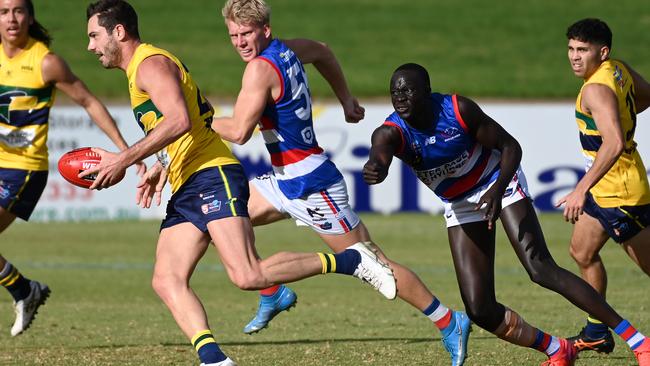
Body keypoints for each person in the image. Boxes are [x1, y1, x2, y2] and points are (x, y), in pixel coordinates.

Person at [84, 1, 396, 365]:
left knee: (247, 274)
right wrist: (162, 165)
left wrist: (124, 158)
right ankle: (214, 359)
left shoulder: (149, 66)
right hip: (188, 180)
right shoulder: (140, 69)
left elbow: (181, 120)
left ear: (118, 32)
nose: (90, 46)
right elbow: (178, 127)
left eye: (93, 35)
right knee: (166, 279)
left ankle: (350, 260)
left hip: (210, 175)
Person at [209, 1, 471, 365]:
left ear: (264, 29)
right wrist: (346, 99)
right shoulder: (288, 48)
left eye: (246, 33)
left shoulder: (258, 70)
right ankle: (270, 290)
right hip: (284, 179)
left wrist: (199, 115)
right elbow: (324, 52)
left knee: (373, 262)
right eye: (233, 35)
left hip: (312, 184)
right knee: (217, 220)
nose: (239, 41)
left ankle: (449, 321)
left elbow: (238, 131)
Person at [362, 62, 650, 365]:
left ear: (427, 91)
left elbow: (511, 146)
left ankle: (638, 341)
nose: (400, 97)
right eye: (395, 92)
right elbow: (380, 152)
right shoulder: (391, 132)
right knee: (479, 308)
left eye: (408, 90)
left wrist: (497, 191)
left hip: (500, 180)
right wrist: (376, 167)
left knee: (540, 268)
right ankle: (557, 349)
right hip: (460, 203)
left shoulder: (457, 109)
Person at [0, 0, 142, 337]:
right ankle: (24, 291)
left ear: (30, 17)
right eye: (4, 11)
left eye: (19, 11)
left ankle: (24, 290)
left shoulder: (45, 62)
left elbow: (89, 101)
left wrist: (126, 153)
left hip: (23, 170)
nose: (12, 18)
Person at [556, 18, 650, 355]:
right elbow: (647, 95)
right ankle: (597, 330)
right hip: (607, 189)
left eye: (583, 50)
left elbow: (610, 144)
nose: (574, 57)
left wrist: (580, 189)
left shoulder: (595, 89)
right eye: (571, 49)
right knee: (582, 252)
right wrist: (621, 119)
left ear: (602, 51)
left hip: (621, 194)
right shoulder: (618, 70)